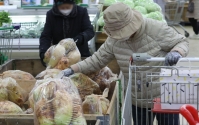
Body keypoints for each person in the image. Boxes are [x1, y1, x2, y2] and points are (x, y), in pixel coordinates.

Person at [59, 3, 189, 125]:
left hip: (165, 96)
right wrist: (72, 69)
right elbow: (97, 59)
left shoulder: (156, 29)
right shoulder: (113, 40)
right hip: (138, 97)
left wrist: (177, 52)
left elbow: (181, 42)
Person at [39, 0, 95, 66]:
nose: (65, 10)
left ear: (73, 4)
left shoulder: (81, 12)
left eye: (68, 7)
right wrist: (43, 52)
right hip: (59, 59)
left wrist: (77, 40)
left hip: (81, 56)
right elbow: (46, 36)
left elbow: (89, 31)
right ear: (57, 6)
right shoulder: (51, 14)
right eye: (62, 8)